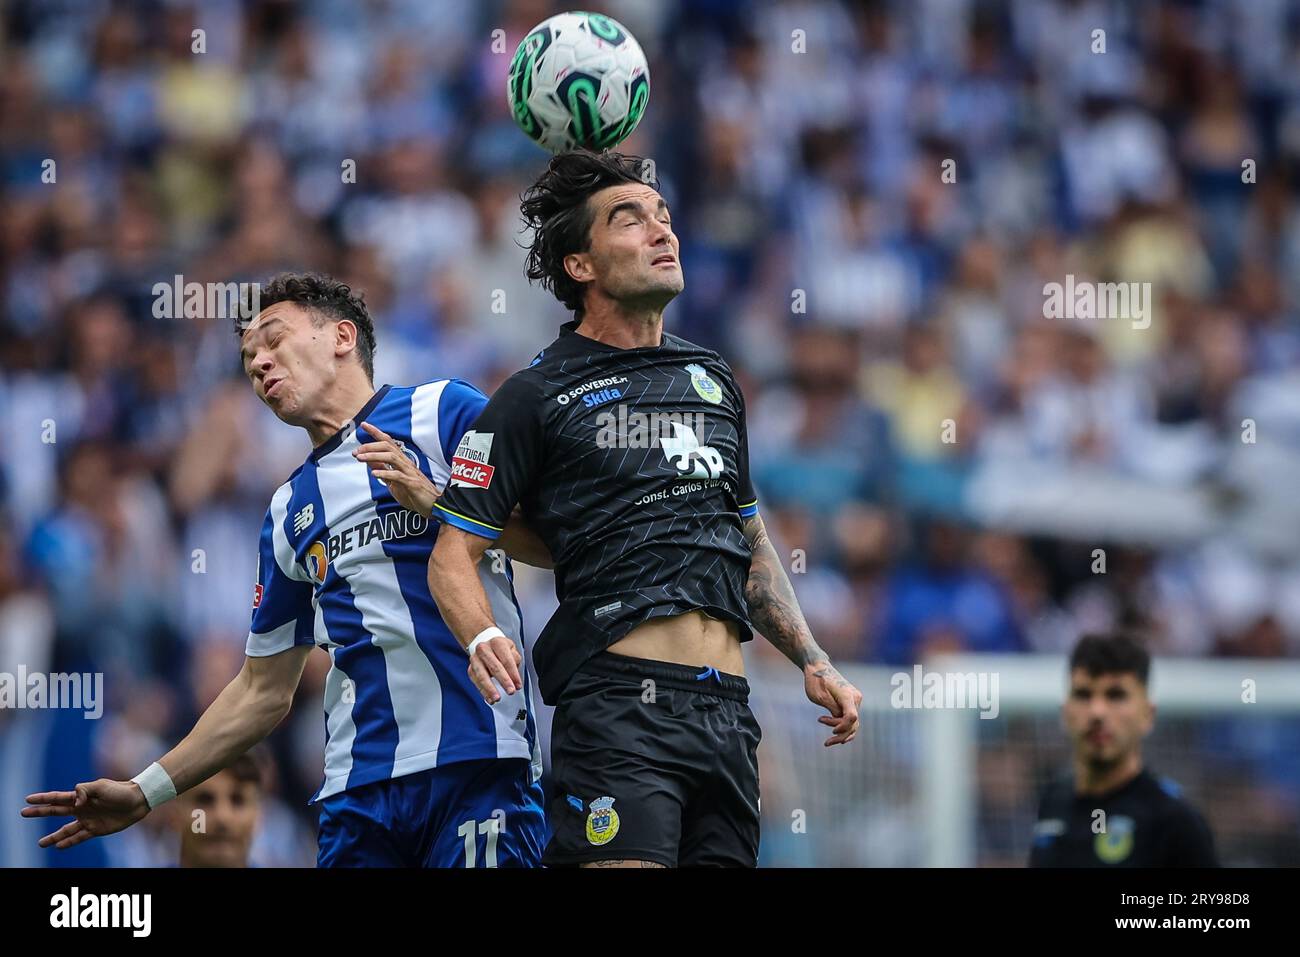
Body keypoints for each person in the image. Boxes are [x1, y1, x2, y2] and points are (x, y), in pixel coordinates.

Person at [24, 273, 550, 867]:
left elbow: (553, 545)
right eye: (249, 358)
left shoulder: (444, 411)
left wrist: (440, 505)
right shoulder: (288, 509)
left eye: (273, 339)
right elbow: (262, 690)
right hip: (358, 794)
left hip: (477, 763)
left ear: (342, 338)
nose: (258, 364)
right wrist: (146, 792)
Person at [428, 150, 863, 868]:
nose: (663, 231)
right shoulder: (534, 395)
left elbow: (749, 538)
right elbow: (454, 551)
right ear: (580, 265)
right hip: (620, 709)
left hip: (728, 711)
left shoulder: (713, 377)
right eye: (630, 221)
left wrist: (813, 659)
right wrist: (480, 637)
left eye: (663, 216)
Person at [1029, 632, 1217, 867]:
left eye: (1116, 696)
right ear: (1065, 712)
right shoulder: (1053, 800)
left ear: (1148, 715)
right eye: (1083, 695)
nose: (1097, 712)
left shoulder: (1175, 822)